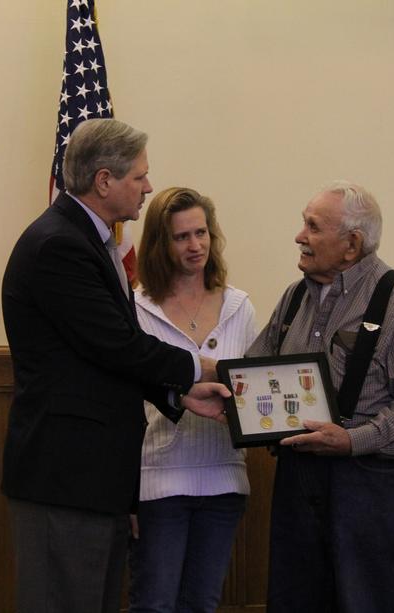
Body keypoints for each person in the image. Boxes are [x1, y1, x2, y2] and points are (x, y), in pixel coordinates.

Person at [0, 118, 230, 613]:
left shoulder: (87, 240)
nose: (148, 186)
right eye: (139, 177)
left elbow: (101, 361)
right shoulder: (60, 245)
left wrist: (176, 394)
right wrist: (201, 369)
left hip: (91, 480)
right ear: (104, 180)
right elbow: (117, 345)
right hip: (65, 480)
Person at [246, 180, 394, 613]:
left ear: (352, 245)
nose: (299, 236)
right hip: (299, 485)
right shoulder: (295, 296)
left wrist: (354, 440)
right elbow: (257, 369)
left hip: (376, 488)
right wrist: (208, 385)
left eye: (312, 226)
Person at [127, 187, 256, 613]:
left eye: (201, 233)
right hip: (158, 481)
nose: (195, 245)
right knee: (155, 604)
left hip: (224, 480)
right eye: (182, 237)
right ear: (161, 244)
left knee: (202, 603)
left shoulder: (240, 306)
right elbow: (126, 398)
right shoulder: (138, 307)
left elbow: (255, 390)